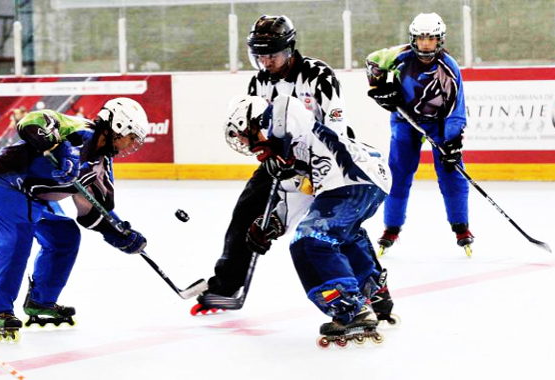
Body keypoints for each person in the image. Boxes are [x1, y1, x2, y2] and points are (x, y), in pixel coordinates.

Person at [194, 14, 368, 310]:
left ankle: (368, 287)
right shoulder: (259, 81)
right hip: (280, 160)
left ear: (289, 49)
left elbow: (337, 129)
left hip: (327, 160)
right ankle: (225, 285)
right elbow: (255, 130)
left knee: (335, 228)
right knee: (247, 212)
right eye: (259, 55)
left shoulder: (317, 75)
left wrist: (308, 162)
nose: (265, 62)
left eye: (271, 54)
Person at [223, 94, 392, 345]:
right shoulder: (284, 159)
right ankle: (374, 292)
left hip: (351, 179)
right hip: (367, 182)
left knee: (310, 241)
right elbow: (295, 201)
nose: (246, 145)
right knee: (341, 236)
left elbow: (288, 108)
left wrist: (275, 145)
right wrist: (271, 226)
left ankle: (349, 308)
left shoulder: (285, 119)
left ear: (249, 124)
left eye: (244, 136)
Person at [0, 97, 149, 341]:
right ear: (118, 126)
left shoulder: (102, 166)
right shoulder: (77, 129)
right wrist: (59, 147)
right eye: (132, 136)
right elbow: (31, 122)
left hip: (36, 195)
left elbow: (91, 212)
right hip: (4, 182)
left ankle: (41, 300)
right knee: (16, 241)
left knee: (65, 236)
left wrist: (118, 233)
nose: (132, 144)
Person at [365, 13, 473, 255]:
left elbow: (456, 109)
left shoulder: (450, 67)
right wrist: (379, 87)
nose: (426, 44)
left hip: (440, 125)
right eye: (421, 38)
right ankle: (391, 228)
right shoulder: (399, 56)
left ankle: (461, 227)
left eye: (431, 39)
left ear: (440, 40)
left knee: (452, 175)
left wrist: (453, 142)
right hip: (406, 121)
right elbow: (373, 62)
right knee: (399, 175)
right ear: (413, 39)